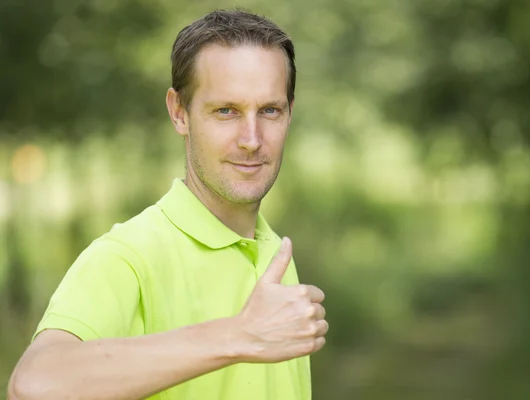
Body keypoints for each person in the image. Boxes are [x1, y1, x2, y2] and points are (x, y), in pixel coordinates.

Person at [8, 9, 328, 400]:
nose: (251, 139)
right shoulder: (129, 255)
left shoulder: (276, 254)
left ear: (290, 113)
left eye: (269, 111)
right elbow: (34, 385)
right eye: (225, 111)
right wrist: (240, 334)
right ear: (180, 113)